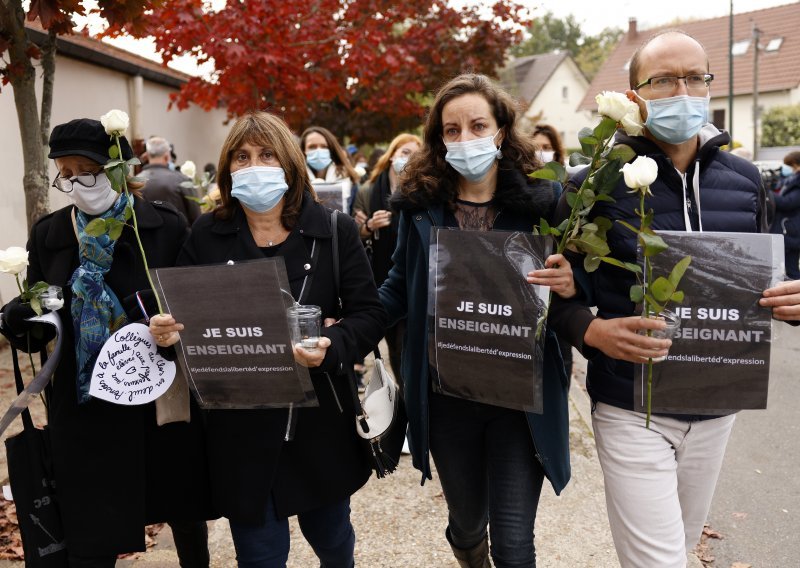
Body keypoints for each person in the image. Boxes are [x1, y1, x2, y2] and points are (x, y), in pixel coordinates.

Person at [558, 30, 800, 567]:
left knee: (681, 545)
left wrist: (791, 302)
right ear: (636, 95)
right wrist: (591, 331)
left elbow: (767, 279)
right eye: (665, 79)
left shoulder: (744, 180)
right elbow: (559, 291)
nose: (683, 90)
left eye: (695, 77)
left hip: (717, 402)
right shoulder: (593, 184)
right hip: (632, 406)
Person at [149, 111, 387, 568]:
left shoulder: (332, 230)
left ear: (289, 165)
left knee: (334, 543)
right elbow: (181, 315)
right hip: (241, 432)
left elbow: (370, 313)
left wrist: (333, 347)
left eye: (266, 154)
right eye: (241, 156)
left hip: (320, 425)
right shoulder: (206, 234)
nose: (253, 165)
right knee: (259, 556)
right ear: (227, 169)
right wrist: (165, 334)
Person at [378, 73, 580, 567]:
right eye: (451, 130)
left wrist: (572, 285)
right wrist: (347, 326)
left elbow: (573, 295)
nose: (465, 139)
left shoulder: (545, 206)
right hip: (447, 398)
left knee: (514, 542)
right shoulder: (421, 209)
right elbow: (397, 288)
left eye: (477, 125)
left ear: (502, 130)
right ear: (438, 139)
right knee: (468, 524)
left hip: (517, 399)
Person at [0, 118, 213, 567]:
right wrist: (20, 316)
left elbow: (194, 304)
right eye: (67, 172)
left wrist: (174, 328)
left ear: (117, 168)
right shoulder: (51, 234)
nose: (78, 180)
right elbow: (42, 322)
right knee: (90, 527)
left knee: (181, 507)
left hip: (156, 392)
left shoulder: (161, 227)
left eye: (88, 168)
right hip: (85, 404)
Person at [352, 133, 421, 380]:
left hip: (410, 277)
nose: (408, 158)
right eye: (404, 152)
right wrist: (369, 226)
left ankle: (407, 392)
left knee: (406, 346)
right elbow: (356, 232)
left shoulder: (421, 190)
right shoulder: (368, 190)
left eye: (415, 154)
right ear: (391, 155)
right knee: (393, 344)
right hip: (379, 275)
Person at [531, 124, 574, 378]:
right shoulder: (524, 188)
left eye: (546, 148)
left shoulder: (571, 187)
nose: (541, 153)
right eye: (536, 147)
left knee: (560, 358)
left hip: (558, 294)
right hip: (533, 288)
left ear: (557, 154)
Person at [140, 136, 201, 224]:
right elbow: (196, 217)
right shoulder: (182, 180)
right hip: (179, 236)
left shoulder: (136, 182)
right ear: (167, 157)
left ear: (147, 156)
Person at [300, 126, 361, 213]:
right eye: (312, 147)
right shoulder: (295, 179)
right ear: (303, 150)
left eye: (324, 146)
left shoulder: (348, 178)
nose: (318, 150)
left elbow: (353, 214)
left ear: (331, 149)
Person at [771, 151, 800, 279]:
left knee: (791, 269)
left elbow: (788, 203)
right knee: (786, 268)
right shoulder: (790, 180)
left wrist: (768, 193)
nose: (786, 168)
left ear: (796, 165)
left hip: (791, 230)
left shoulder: (797, 183)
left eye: (789, 165)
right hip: (787, 228)